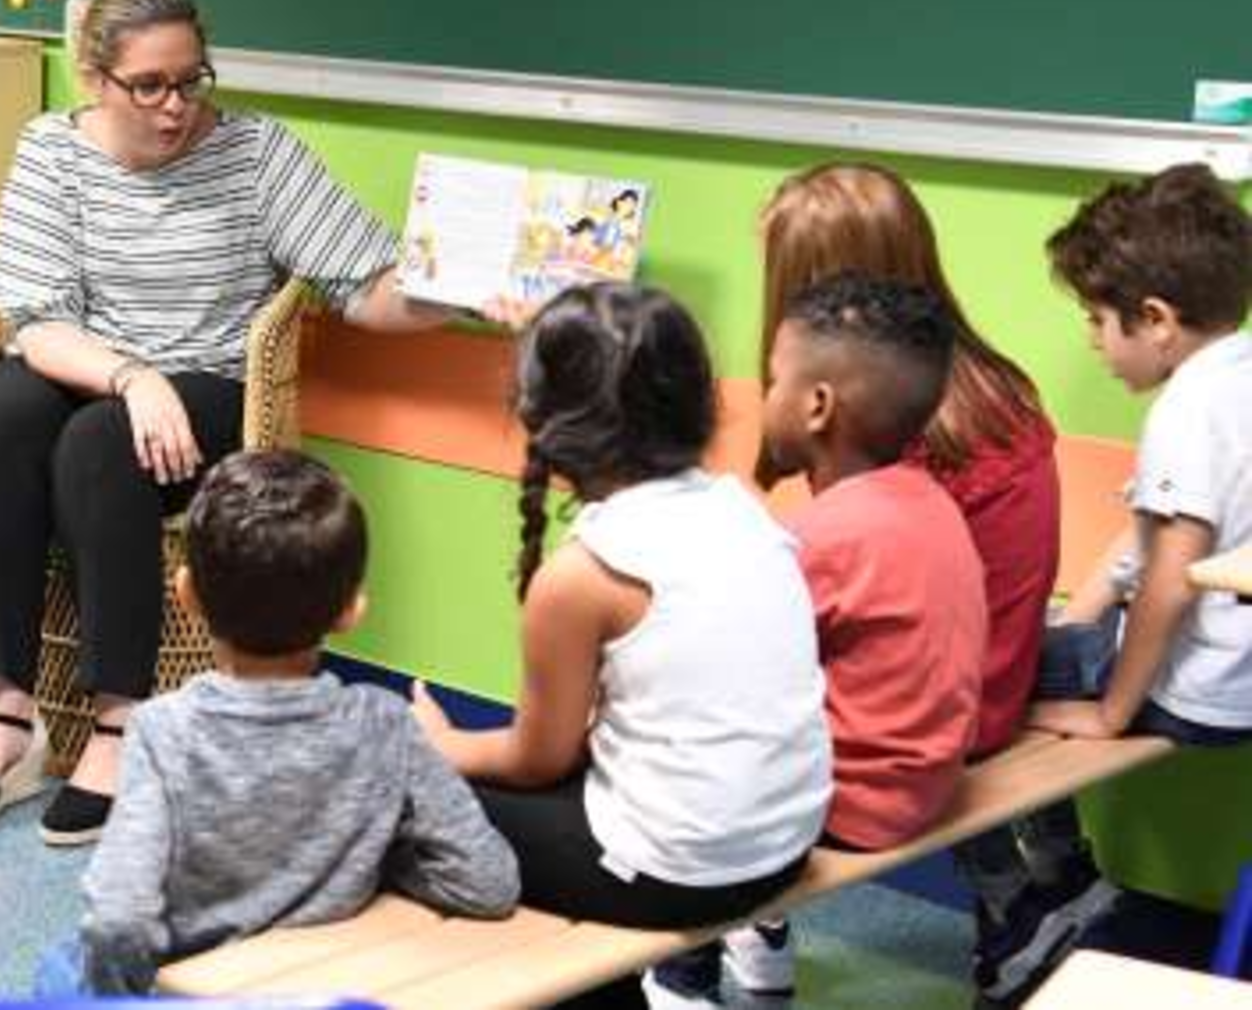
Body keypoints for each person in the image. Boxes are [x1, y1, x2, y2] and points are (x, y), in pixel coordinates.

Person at [0, 0, 452, 845]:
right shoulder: (51, 150)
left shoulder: (257, 152)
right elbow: (37, 322)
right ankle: (5, 716)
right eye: (148, 86)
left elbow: (367, 285)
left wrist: (466, 288)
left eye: (191, 79)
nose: (175, 106)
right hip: (98, 365)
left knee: (100, 445)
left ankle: (119, 723)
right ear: (94, 78)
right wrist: (134, 376)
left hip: (211, 381)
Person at [409, 283, 831, 1008]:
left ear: (543, 421)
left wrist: (438, 745)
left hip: (683, 872)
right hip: (784, 846)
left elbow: (539, 759)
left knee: (419, 806)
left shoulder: (583, 574)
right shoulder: (746, 513)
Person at [751, 162, 1063, 1000]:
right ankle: (1020, 901)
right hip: (991, 676)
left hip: (946, 713)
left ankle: (725, 940)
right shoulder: (988, 388)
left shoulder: (903, 445)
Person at [41, 449, 519, 996]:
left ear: (186, 594)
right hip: (327, 985)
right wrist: (381, 863)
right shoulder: (387, 724)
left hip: (200, 988)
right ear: (351, 611)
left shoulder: (163, 730)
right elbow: (488, 882)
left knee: (61, 964)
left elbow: (118, 920)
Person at [962, 162, 1252, 1004]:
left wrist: (1111, 709)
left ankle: (1025, 909)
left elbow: (1170, 578)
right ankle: (1067, 876)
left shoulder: (1185, 413)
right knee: (1035, 650)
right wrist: (1075, 627)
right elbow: (1148, 538)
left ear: (1156, 319)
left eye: (1097, 318)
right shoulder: (1238, 376)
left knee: (969, 686)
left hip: (1195, 690)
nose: (1093, 339)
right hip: (1241, 671)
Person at [656, 274, 988, 1006]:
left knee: (665, 745)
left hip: (854, 804)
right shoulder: (927, 502)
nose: (764, 393)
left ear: (817, 406)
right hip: (927, 780)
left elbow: (717, 660)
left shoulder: (829, 534)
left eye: (773, 378)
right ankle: (764, 939)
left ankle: (681, 976)